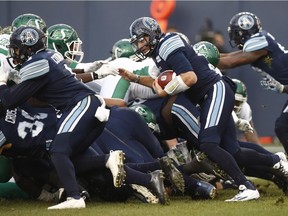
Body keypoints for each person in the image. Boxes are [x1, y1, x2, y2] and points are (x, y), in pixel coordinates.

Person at [120, 16, 288, 202]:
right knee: (233, 151)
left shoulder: (168, 45)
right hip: (210, 93)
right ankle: (276, 161)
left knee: (208, 144)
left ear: (151, 35)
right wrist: (135, 78)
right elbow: (158, 82)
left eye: (142, 39)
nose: (140, 45)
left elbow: (190, 77)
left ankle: (247, 186)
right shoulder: (159, 53)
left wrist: (166, 90)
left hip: (214, 90)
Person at [0, 26, 126, 209]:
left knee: (58, 151)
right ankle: (111, 162)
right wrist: (95, 73)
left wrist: (3, 83)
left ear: (27, 47)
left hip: (81, 105)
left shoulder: (37, 63)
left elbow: (10, 100)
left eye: (17, 48)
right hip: (86, 106)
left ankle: (75, 198)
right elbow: (65, 76)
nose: (15, 53)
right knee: (65, 155)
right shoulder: (47, 56)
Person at [217, 12, 288, 155]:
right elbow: (230, 57)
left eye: (236, 33)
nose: (234, 38)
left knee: (283, 126)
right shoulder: (260, 43)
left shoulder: (260, 42)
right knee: (283, 126)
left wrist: (198, 58)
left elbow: (230, 62)